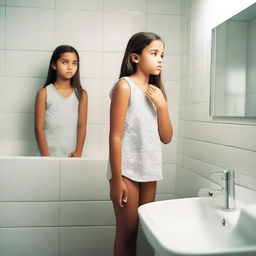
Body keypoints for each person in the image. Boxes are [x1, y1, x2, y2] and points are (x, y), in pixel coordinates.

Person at [107, 32, 173, 256]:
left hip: (150, 170)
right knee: (127, 232)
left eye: (162, 54)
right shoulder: (124, 87)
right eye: (154, 53)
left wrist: (162, 106)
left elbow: (166, 137)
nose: (160, 59)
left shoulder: (157, 93)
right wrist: (116, 180)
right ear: (135, 57)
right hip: (127, 171)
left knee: (142, 230)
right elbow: (115, 136)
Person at [35, 45, 87, 157]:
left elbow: (82, 125)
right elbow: (39, 127)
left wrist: (78, 152)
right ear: (54, 65)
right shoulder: (44, 93)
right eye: (64, 62)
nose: (70, 67)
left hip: (70, 156)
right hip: (46, 155)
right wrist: (46, 156)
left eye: (74, 63)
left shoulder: (81, 94)